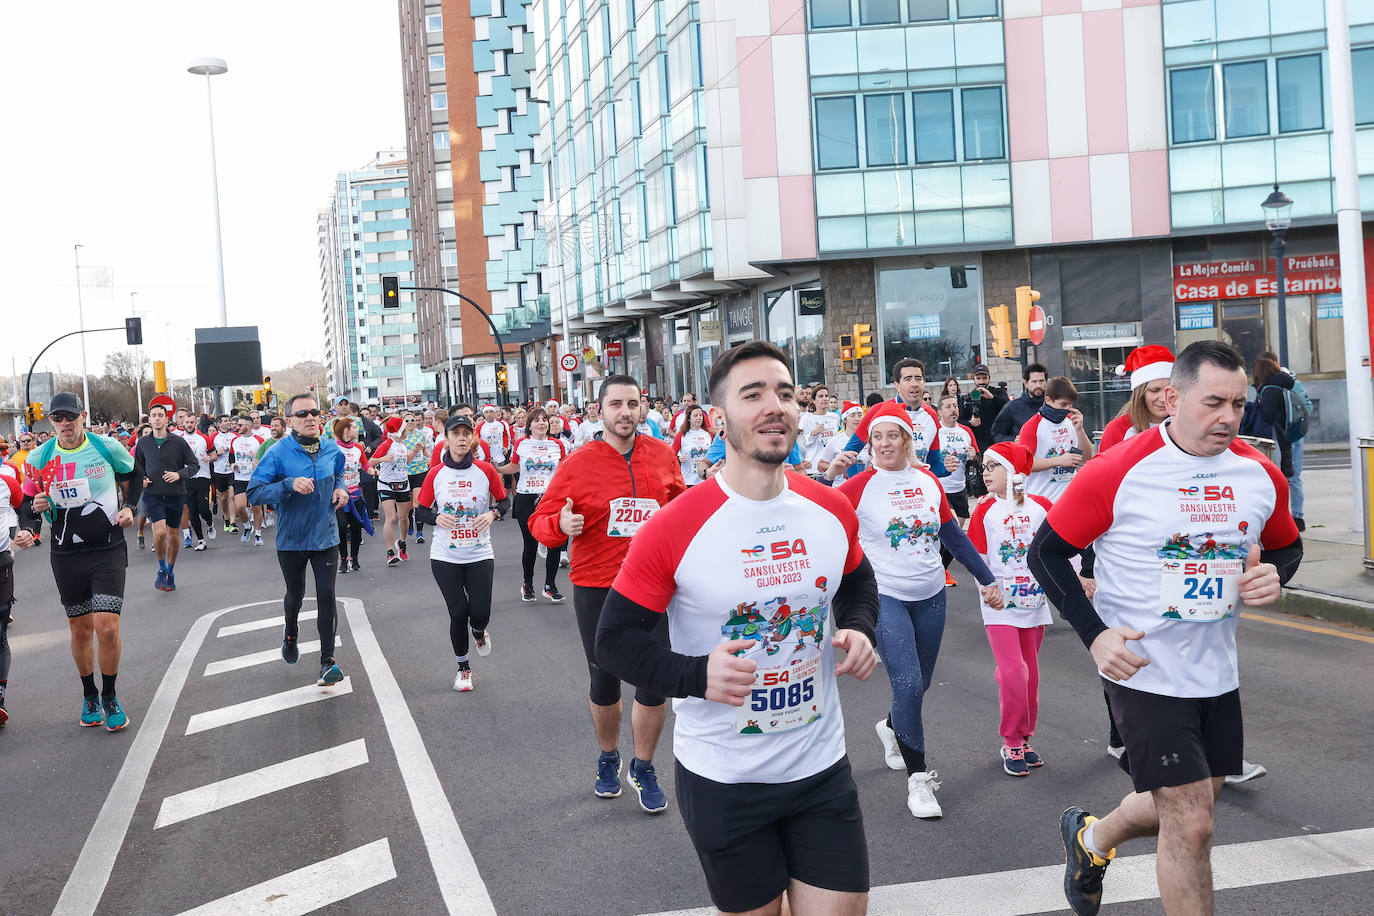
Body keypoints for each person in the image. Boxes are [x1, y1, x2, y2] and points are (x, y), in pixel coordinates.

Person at [596, 342, 879, 914]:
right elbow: (614, 641)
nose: (774, 405)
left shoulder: (830, 510)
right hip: (725, 779)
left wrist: (857, 626)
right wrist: (697, 674)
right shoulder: (675, 527)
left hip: (820, 769)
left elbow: (856, 579)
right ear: (718, 417)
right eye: (753, 395)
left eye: (784, 392)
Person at [1026, 341, 1302, 916]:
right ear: (1172, 399)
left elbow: (1287, 547)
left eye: (1238, 404)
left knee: (1186, 803)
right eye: (1213, 403)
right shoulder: (1118, 470)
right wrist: (1096, 634)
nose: (1228, 417)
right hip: (1143, 670)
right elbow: (1046, 554)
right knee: (1193, 822)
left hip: (1216, 670)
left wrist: (1275, 577)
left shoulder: (1258, 473)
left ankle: (1091, 839)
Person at [528, 374, 687, 811]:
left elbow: (685, 508)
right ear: (600, 411)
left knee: (655, 682)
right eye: (616, 404)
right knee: (604, 678)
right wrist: (559, 527)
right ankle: (607, 756)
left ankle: (644, 764)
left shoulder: (661, 454)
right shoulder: (577, 463)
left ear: (643, 408)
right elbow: (540, 520)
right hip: (598, 586)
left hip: (655, 586)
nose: (625, 412)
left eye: (633, 404)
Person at [835, 401, 999, 819]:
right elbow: (816, 519)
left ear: (908, 440)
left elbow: (952, 536)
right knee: (907, 683)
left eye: (894, 436)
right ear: (869, 442)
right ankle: (919, 779)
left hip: (931, 595)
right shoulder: (857, 488)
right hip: (884, 594)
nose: (886, 443)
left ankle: (891, 726)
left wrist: (986, 577)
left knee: (920, 683)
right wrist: (830, 473)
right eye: (878, 437)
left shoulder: (928, 481)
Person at [16, 392, 137, 731]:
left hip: (108, 548)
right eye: (58, 418)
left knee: (107, 626)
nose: (65, 424)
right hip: (66, 554)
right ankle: (89, 695)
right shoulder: (39, 458)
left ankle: (110, 695)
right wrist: (29, 526)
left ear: (82, 416)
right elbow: (29, 503)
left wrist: (130, 507)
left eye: (70, 416)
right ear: (50, 421)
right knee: (80, 629)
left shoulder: (105, 447)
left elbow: (134, 476)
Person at [248, 393, 350, 687]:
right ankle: (290, 633)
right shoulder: (278, 453)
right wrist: (288, 484)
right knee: (295, 595)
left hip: (326, 535)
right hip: (291, 539)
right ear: (290, 419)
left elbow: (340, 474)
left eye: (314, 413)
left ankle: (327, 662)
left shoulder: (332, 449)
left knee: (327, 596)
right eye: (302, 414)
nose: (309, 418)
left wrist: (341, 489)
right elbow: (255, 492)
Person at [967, 443, 1056, 777]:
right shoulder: (984, 511)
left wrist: (1080, 577)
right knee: (1015, 672)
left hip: (1033, 602)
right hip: (999, 604)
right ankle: (1010, 741)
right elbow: (977, 557)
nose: (985, 473)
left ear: (1013, 471)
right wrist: (986, 587)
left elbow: (1060, 548)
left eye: (993, 466)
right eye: (984, 467)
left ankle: (1024, 736)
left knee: (1027, 675)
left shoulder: (1042, 507)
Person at [416, 414, 510, 691]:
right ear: (446, 440)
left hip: (479, 553)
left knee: (479, 612)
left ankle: (479, 631)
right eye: (455, 434)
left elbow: (504, 502)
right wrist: (436, 518)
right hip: (445, 555)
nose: (461, 438)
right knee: (458, 612)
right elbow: (420, 509)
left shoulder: (486, 471)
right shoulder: (436, 473)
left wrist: (493, 514)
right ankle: (463, 668)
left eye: (465, 434)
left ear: (472, 438)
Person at [496, 407, 566, 602]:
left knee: (554, 542)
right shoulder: (522, 443)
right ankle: (527, 585)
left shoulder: (558, 445)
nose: (542, 423)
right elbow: (516, 466)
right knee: (531, 543)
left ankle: (550, 585)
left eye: (544, 420)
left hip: (550, 499)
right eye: (536, 420)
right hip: (527, 497)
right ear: (529, 425)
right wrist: (497, 469)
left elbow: (564, 469)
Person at [132, 398, 200, 591]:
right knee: (160, 532)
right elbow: (137, 468)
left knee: (172, 535)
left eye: (160, 415)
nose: (157, 419)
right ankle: (161, 569)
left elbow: (194, 465)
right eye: (153, 415)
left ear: (166, 419)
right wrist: (142, 478)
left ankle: (170, 569)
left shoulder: (178, 442)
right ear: (149, 420)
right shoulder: (143, 443)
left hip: (175, 495)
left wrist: (179, 474)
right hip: (152, 494)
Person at [1018, 376, 1094, 504]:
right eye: (1063, 404)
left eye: (1070, 404)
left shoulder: (1071, 421)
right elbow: (1025, 464)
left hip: (1067, 500)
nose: (1067, 409)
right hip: (1040, 500)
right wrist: (1059, 460)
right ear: (1048, 400)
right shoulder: (1032, 426)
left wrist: (1080, 430)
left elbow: (1087, 456)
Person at [932, 392, 979, 587]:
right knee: (949, 531)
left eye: (955, 406)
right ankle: (936, 570)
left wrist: (973, 456)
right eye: (949, 406)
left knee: (955, 534)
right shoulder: (935, 432)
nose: (954, 409)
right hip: (940, 488)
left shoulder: (966, 432)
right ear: (940, 412)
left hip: (959, 488)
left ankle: (940, 569)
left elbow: (977, 456)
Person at [1252, 352, 1301, 521]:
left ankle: (1286, 515)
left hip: (1277, 436)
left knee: (1280, 476)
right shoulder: (1282, 385)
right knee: (1292, 476)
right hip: (1289, 433)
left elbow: (1268, 416)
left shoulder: (1269, 390)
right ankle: (1297, 514)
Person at [1099, 346, 1174, 453]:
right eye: (1155, 390)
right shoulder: (1117, 429)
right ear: (1140, 394)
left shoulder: (1187, 423)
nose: (1163, 398)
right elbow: (1102, 468)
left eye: (1169, 390)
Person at [371, 416, 416, 566]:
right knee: (391, 518)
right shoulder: (386, 444)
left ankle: (401, 543)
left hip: (403, 484)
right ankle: (390, 552)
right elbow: (370, 462)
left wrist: (415, 451)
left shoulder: (402, 444)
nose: (407, 431)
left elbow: (405, 461)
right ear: (399, 430)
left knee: (404, 517)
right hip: (386, 484)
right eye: (404, 428)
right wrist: (383, 459)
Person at [333, 417, 375, 573]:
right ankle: (343, 559)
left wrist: (372, 471)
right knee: (342, 527)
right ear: (346, 430)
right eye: (355, 427)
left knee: (357, 527)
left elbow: (366, 466)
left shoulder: (358, 448)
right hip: (339, 496)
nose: (358, 430)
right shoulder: (334, 448)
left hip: (355, 494)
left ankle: (355, 559)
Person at [172, 408, 217, 552]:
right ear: (183, 423)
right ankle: (201, 540)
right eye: (187, 422)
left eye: (192, 422)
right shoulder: (178, 440)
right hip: (186, 478)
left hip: (203, 477)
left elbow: (214, 455)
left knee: (203, 508)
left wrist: (209, 458)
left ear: (196, 423)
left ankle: (209, 523)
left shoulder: (204, 438)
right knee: (192, 511)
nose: (189, 424)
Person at [229, 416, 266, 545]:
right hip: (239, 478)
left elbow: (267, 459)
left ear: (249, 426)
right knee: (239, 507)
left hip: (255, 478)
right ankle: (247, 527)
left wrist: (258, 457)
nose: (237, 427)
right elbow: (231, 457)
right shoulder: (235, 440)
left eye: (240, 425)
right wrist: (233, 465)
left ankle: (258, 534)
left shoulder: (259, 441)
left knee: (256, 507)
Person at [991, 362, 1047, 443]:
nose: (1038, 385)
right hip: (1023, 453)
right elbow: (996, 434)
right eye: (1034, 381)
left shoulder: (1053, 405)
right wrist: (1013, 440)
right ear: (1026, 383)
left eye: (1041, 381)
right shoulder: (1012, 407)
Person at [798, 385, 839, 481]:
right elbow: (801, 443)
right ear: (813, 400)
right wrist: (813, 434)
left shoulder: (835, 417)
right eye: (821, 396)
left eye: (826, 396)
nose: (824, 399)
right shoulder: (807, 418)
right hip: (813, 466)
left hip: (830, 465)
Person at [672, 404, 714, 487]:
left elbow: (714, 454)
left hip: (705, 480)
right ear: (689, 418)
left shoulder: (709, 434)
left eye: (700, 415)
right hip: (688, 480)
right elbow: (671, 454)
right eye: (695, 415)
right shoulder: (681, 435)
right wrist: (679, 458)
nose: (699, 418)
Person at [212, 415, 239, 533]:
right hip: (219, 470)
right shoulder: (214, 438)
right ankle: (226, 518)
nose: (229, 422)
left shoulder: (234, 436)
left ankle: (233, 523)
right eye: (226, 421)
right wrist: (218, 453)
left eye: (229, 420)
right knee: (223, 498)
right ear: (219, 424)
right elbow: (210, 456)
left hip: (232, 470)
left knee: (232, 495)